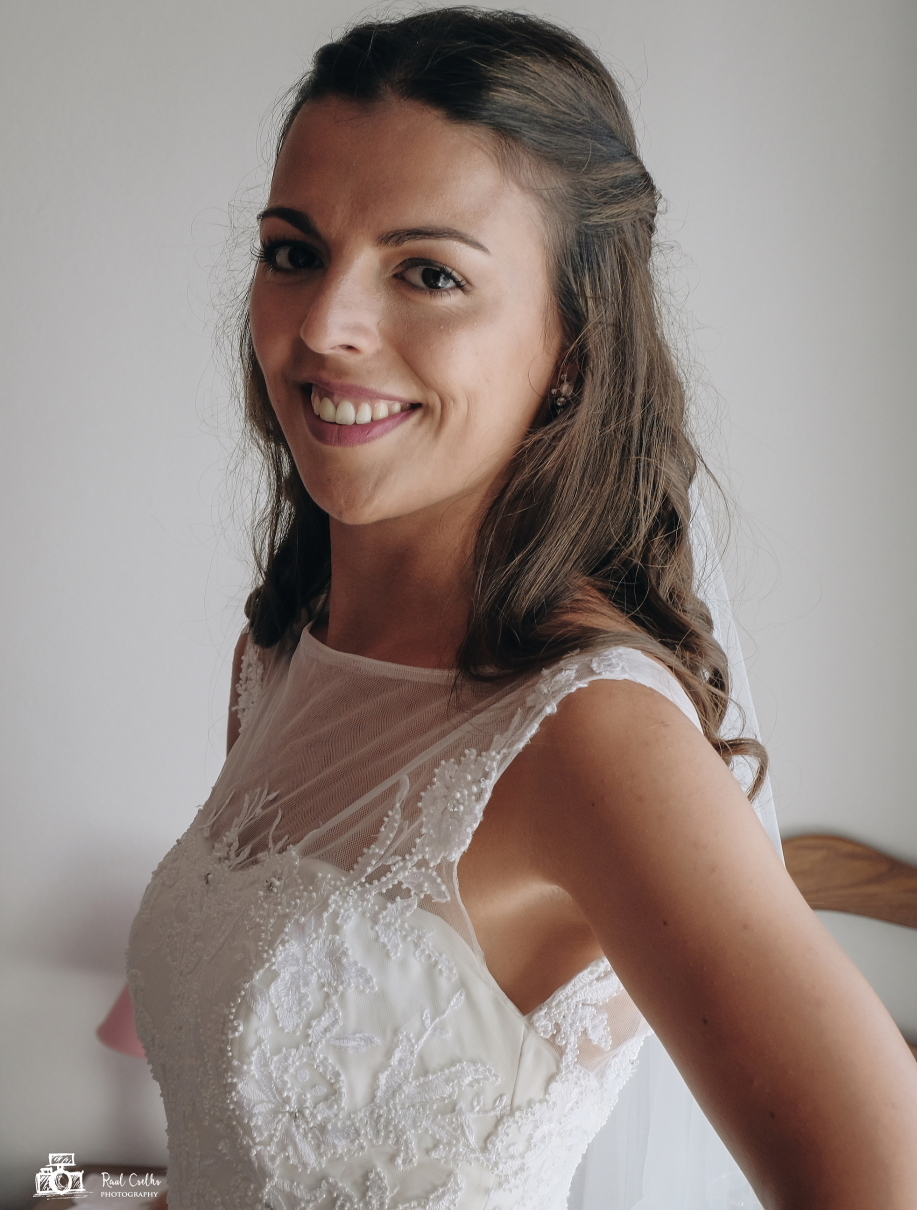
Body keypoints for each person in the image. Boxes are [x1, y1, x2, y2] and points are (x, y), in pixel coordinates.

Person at [115, 9, 917, 1209]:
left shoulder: (588, 734)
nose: (324, 324)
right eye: (293, 251)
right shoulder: (278, 655)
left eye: (428, 272)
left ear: (573, 343)